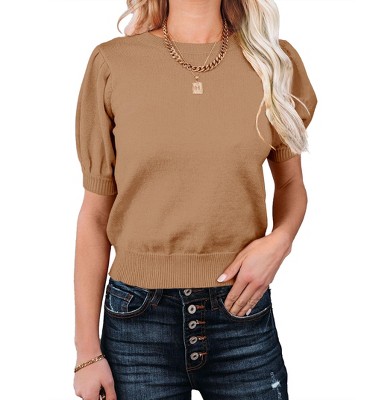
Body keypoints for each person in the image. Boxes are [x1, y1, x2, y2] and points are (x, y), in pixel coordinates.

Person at [72, 0, 317, 399]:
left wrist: (281, 240)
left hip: (241, 310)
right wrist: (87, 353)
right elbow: (95, 215)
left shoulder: (274, 61)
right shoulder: (113, 64)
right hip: (137, 322)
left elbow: (291, 183)